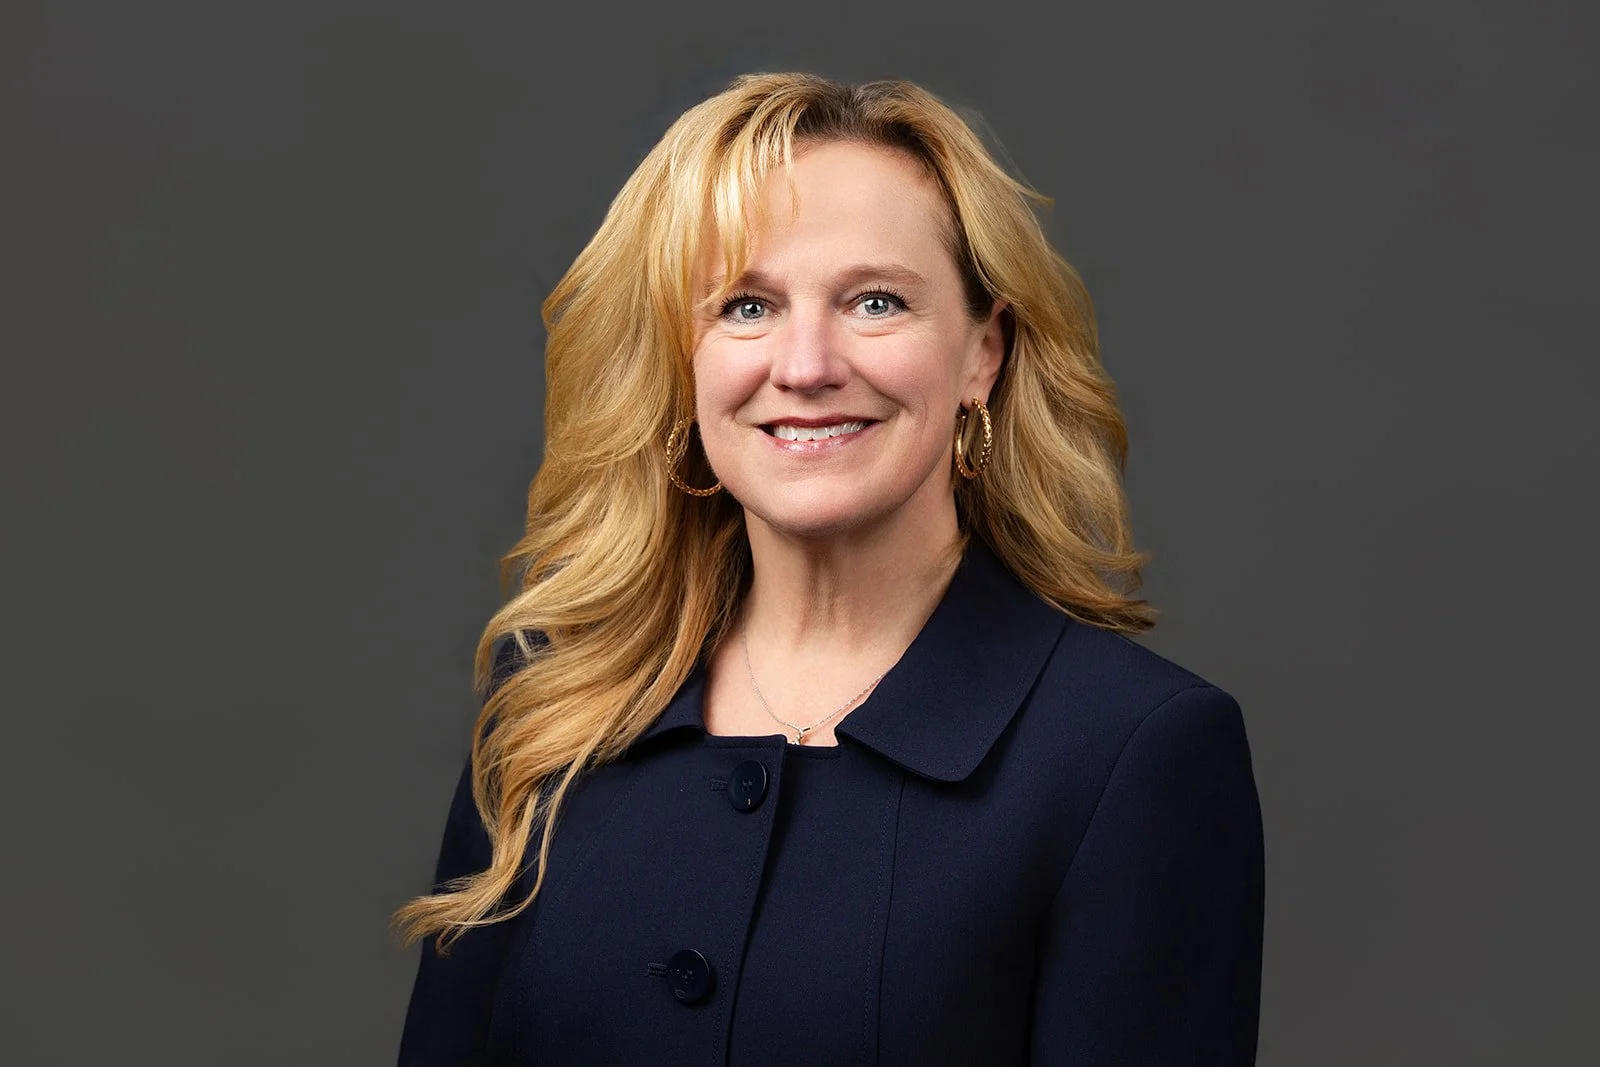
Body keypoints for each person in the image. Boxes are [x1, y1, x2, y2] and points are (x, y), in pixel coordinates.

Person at [393, 72, 1264, 1065]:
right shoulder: (551, 701)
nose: (804, 363)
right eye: (745, 305)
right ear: (684, 358)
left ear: (983, 353)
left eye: (875, 300)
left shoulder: (1128, 752)